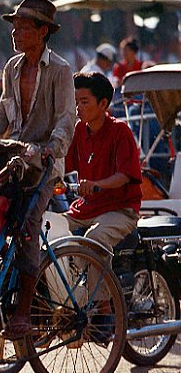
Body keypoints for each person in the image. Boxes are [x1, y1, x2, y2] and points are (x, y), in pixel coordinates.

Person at [0, 0, 76, 340]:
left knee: (27, 227)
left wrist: (52, 148)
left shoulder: (61, 70)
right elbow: (2, 115)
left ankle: (24, 311)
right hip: (13, 158)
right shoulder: (12, 68)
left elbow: (67, 119)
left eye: (23, 27)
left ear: (42, 31)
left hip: (43, 165)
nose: (16, 33)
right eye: (15, 27)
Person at [65, 72, 142, 251]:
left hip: (119, 210)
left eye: (84, 102)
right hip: (86, 208)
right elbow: (64, 165)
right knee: (47, 227)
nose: (78, 108)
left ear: (103, 104)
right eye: (76, 102)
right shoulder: (79, 130)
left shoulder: (120, 131)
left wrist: (95, 184)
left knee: (94, 239)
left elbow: (124, 176)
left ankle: (98, 280)